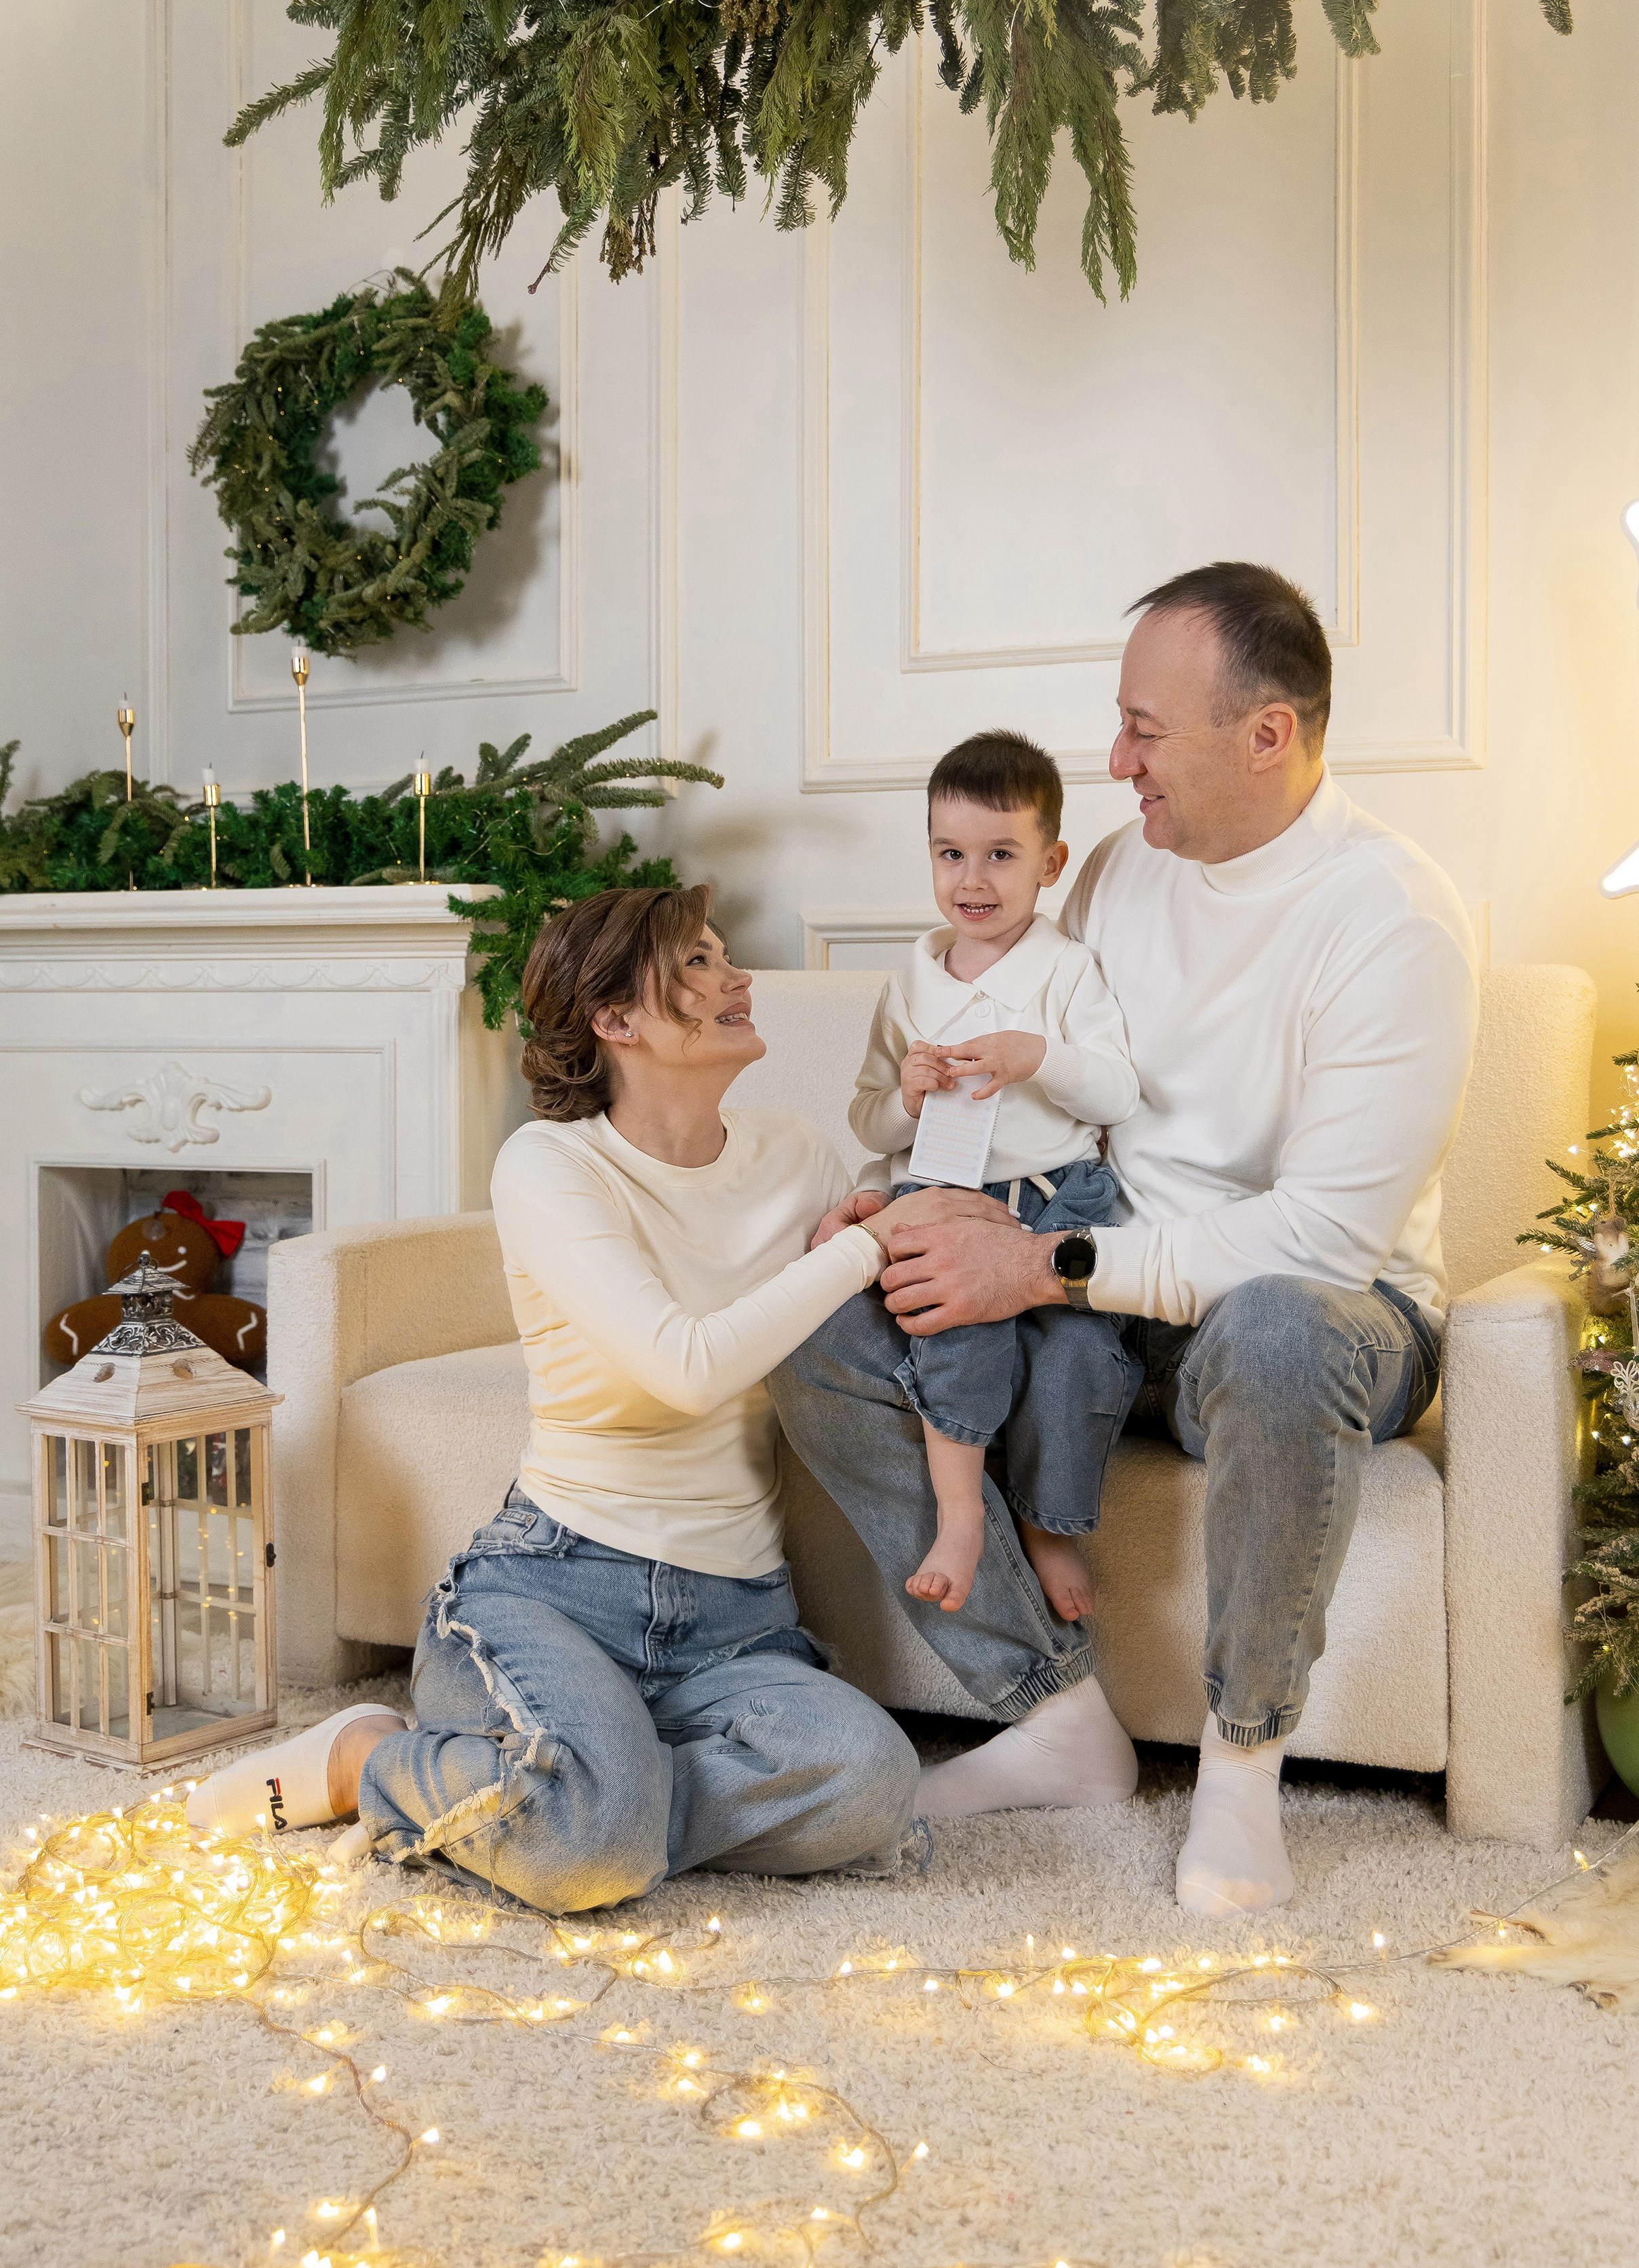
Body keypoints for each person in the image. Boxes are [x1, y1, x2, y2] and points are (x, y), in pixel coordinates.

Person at [770, 561, 1478, 1918]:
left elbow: (1324, 1240)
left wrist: (1036, 1268)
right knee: (824, 1312)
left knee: (1275, 1323)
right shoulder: (1110, 871)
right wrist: (919, 1199)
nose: (1114, 762)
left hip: (1321, 1316)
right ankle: (1054, 1714)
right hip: (1093, 1270)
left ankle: (1244, 1758)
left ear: (1266, 733)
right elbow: (1035, 1104)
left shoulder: (1391, 918)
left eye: (1145, 732)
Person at [189, 885, 995, 1909]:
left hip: (738, 1618)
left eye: (724, 955)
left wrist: (889, 1242)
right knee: (592, 1861)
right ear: (616, 1020)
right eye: (698, 963)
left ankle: (584, 1786)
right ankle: (371, 1762)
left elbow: (834, 1321)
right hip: (556, 1589)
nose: (736, 977)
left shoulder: (796, 1154)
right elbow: (687, 1364)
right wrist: (860, 1248)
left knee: (870, 1785)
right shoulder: (550, 1164)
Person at [848, 728, 1137, 1623]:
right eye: (951, 853)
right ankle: (963, 1514)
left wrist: (1035, 1055)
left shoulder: (1065, 968)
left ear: (1048, 862)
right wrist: (906, 1095)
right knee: (955, 1331)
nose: (972, 880)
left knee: (1081, 1349)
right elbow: (867, 1118)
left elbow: (1117, 1087)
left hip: (1058, 1190)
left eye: (1000, 856)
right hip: (945, 1192)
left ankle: (1050, 1523)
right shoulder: (909, 982)